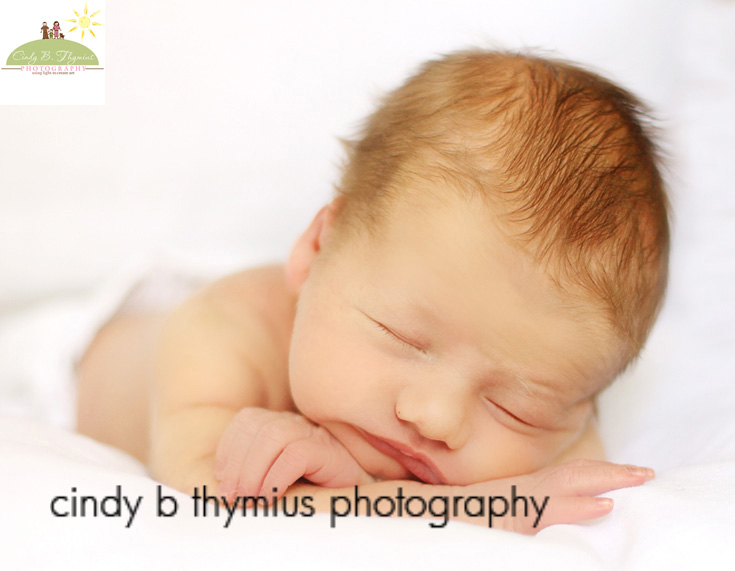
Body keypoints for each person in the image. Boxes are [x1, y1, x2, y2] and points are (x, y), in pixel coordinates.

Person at [75, 49, 669, 533]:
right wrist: (479, 509)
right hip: (86, 356)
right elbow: (208, 497)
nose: (436, 417)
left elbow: (577, 475)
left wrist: (353, 488)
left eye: (514, 407)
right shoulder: (222, 335)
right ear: (315, 253)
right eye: (402, 337)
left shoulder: (555, 401)